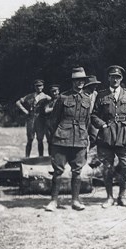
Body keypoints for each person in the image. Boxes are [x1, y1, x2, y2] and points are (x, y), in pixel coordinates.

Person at [91, 65, 126, 208]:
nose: (115, 79)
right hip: (106, 136)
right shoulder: (102, 95)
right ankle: (109, 197)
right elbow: (93, 115)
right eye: (112, 77)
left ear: (121, 78)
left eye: (118, 77)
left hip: (123, 136)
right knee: (107, 167)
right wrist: (103, 125)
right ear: (108, 78)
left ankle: (122, 197)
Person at [45, 68, 91, 212]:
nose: (80, 83)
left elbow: (87, 121)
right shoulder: (63, 97)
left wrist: (85, 137)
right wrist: (54, 138)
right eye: (77, 80)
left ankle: (75, 200)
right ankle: (53, 200)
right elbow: (53, 120)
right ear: (72, 82)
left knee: (77, 171)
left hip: (80, 139)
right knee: (58, 171)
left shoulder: (87, 99)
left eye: (82, 80)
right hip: (61, 139)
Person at [16, 79, 51, 157]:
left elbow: (50, 106)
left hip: (40, 120)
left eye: (40, 86)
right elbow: (18, 102)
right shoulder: (30, 96)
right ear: (34, 87)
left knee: (40, 139)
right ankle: (27, 157)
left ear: (43, 86)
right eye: (37, 86)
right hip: (31, 119)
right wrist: (25, 110)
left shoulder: (46, 97)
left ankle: (40, 157)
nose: (39, 88)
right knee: (30, 139)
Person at [43, 84, 61, 156]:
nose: (54, 93)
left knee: (59, 141)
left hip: (59, 123)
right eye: (52, 92)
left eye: (55, 91)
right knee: (50, 141)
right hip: (50, 124)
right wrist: (55, 108)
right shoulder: (49, 101)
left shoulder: (62, 100)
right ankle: (51, 157)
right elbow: (46, 110)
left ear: (58, 91)